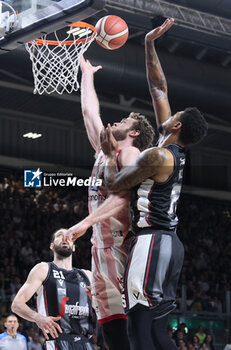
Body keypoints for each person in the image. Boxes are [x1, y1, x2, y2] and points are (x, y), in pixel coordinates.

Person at [67, 18, 208, 350]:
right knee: (146, 332)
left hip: (150, 239)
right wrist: (148, 44)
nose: (170, 111)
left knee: (141, 330)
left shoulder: (153, 156)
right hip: (154, 240)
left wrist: (84, 221)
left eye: (177, 113)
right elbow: (158, 87)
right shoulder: (165, 141)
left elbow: (120, 189)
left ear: (175, 124)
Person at [79, 56, 154, 350]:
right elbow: (88, 111)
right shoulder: (105, 151)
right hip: (99, 247)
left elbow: (122, 197)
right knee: (109, 328)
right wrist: (87, 75)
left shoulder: (131, 153)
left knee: (133, 326)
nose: (117, 121)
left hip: (121, 246)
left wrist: (83, 223)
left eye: (124, 121)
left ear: (133, 133)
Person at [11, 228, 94, 350]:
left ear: (74, 247)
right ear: (52, 246)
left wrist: (97, 302)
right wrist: (38, 318)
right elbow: (16, 304)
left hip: (85, 342)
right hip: (57, 340)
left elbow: (104, 308)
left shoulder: (87, 275)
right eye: (60, 235)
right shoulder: (43, 269)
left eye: (69, 236)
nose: (65, 238)